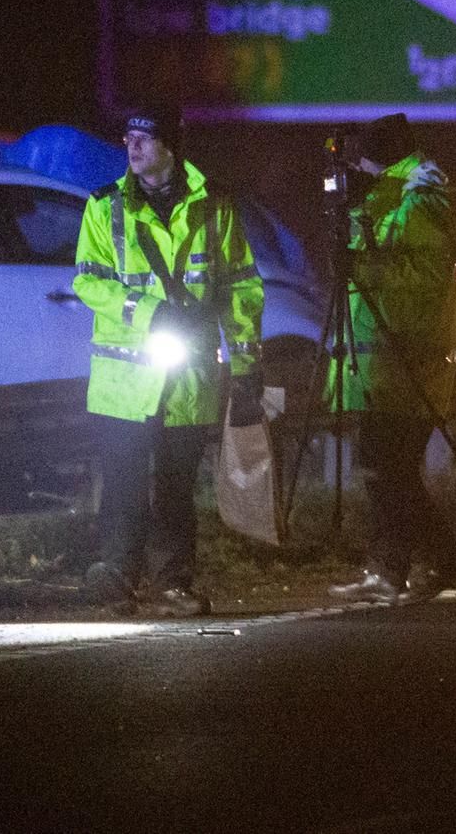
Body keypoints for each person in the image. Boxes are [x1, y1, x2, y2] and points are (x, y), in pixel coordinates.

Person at [73, 102, 264, 616]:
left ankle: (173, 584)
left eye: (145, 138)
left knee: (176, 490)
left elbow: (241, 288)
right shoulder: (104, 206)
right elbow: (88, 281)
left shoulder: (214, 206)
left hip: (188, 380)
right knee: (124, 483)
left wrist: (246, 366)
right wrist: (149, 312)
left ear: (171, 147)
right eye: (129, 137)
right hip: (125, 383)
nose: (131, 147)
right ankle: (116, 577)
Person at [327, 114, 456, 604]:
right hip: (387, 362)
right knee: (388, 468)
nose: (357, 169)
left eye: (363, 159)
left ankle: (409, 568)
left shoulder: (419, 197)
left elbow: (427, 282)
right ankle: (411, 567)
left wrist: (363, 262)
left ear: (382, 156)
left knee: (385, 467)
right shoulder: (394, 196)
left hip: (409, 361)